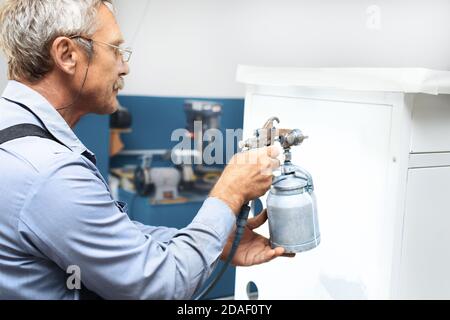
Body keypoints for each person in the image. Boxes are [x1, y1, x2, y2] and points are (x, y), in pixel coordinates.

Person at [0, 0, 286, 300]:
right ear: (67, 54)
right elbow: (162, 286)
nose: (124, 67)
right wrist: (230, 193)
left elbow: (105, 238)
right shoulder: (49, 173)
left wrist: (215, 239)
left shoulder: (16, 135)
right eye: (114, 50)